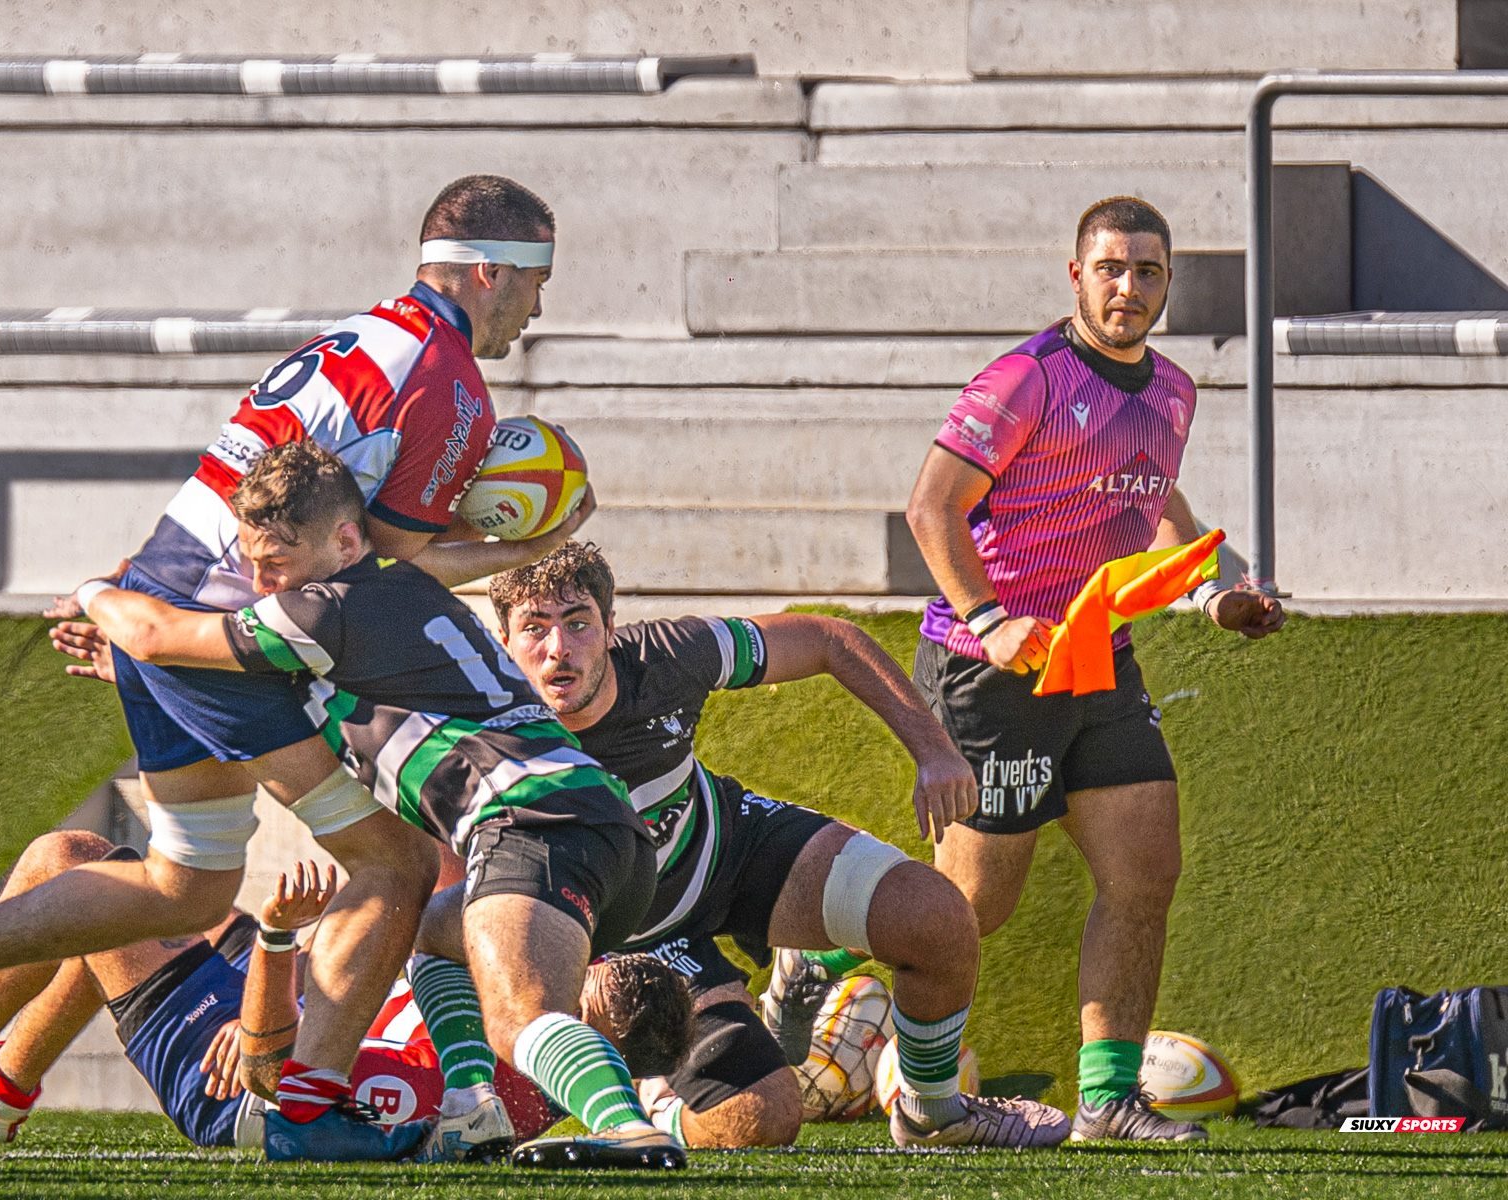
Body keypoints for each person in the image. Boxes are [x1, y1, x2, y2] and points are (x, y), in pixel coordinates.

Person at [0, 174, 591, 1166]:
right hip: (226, 635)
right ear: (495, 271)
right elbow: (380, 577)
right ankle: (307, 1116)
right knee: (398, 864)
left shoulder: (357, 337)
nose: (539, 312)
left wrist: (137, 602)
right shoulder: (447, 382)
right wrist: (520, 539)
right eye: (537, 287)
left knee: (183, 889)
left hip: (170, 590)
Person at [55, 442, 686, 1169]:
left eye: (276, 561)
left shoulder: (319, 613)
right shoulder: (401, 585)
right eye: (252, 560)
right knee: (426, 929)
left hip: (530, 823)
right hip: (605, 829)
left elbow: (156, 631)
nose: (257, 581)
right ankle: (471, 1108)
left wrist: (94, 591)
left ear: (345, 541)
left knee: (518, 1017)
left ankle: (630, 1128)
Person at [405, 540, 1072, 1151]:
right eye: (535, 629)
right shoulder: (478, 720)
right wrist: (574, 959)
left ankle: (933, 1113)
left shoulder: (670, 652)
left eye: (578, 623)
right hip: (627, 932)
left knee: (938, 919)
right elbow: (457, 875)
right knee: (764, 1121)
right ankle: (650, 1100)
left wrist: (932, 750)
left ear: (611, 628)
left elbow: (827, 640)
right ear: (503, 642)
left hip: (725, 847)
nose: (559, 649)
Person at [903, 197, 1285, 1142]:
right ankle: (856, 1017)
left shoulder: (1174, 392)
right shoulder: (1025, 378)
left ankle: (1109, 1103)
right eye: (1111, 268)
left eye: (1147, 271)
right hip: (989, 670)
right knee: (970, 909)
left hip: (1099, 660)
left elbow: (1153, 503)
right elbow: (931, 507)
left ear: (1168, 283)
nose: (1128, 287)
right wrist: (990, 619)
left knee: (1147, 871)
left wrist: (1211, 592)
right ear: (1076, 275)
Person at [0, 836, 691, 1154]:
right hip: (273, 1001)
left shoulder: (454, 1100)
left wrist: (273, 946)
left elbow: (276, 1079)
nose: (554, 973)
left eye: (579, 988)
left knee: (65, 869)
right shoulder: (494, 1044)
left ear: (589, 1046)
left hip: (229, 1082)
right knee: (96, 904)